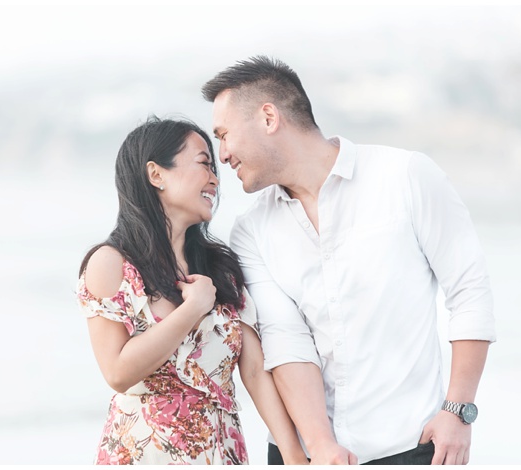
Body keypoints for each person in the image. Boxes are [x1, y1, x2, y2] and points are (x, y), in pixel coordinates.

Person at [201, 56, 496, 465]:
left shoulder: (406, 176)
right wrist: (321, 446)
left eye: (224, 135)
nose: (223, 154)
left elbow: (469, 292)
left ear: (269, 117)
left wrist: (459, 413)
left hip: (411, 443)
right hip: (307, 454)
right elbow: (286, 339)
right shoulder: (251, 230)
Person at [76, 116, 308, 465]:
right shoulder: (111, 264)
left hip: (221, 453)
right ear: (156, 174)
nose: (215, 179)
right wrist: (192, 309)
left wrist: (293, 455)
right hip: (144, 455)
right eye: (204, 164)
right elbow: (118, 373)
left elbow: (255, 371)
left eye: (215, 168)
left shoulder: (221, 268)